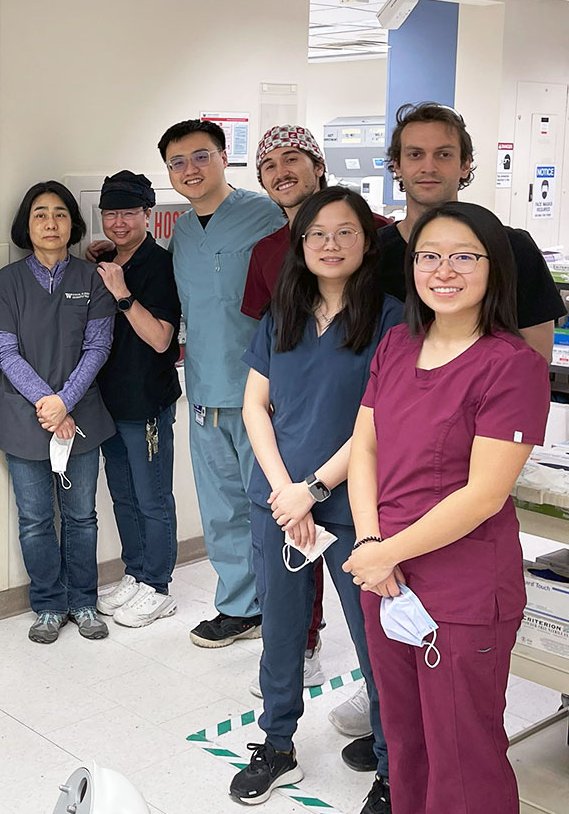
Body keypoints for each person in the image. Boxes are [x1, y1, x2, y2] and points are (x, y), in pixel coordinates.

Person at [344, 201, 550, 814]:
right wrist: (366, 547)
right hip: (383, 577)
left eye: (465, 256)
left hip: (461, 590)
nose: (444, 270)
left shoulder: (511, 366)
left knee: (463, 753)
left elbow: (484, 495)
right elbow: (365, 449)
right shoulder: (397, 344)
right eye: (430, 255)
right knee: (405, 743)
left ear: (495, 268)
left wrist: (386, 553)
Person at [231, 187, 398, 813]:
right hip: (276, 501)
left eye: (345, 232)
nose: (329, 244)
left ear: (367, 241)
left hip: (355, 505)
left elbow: (377, 421)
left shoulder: (391, 319)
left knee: (373, 638)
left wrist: (314, 489)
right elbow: (255, 405)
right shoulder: (284, 312)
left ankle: (391, 764)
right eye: (316, 233)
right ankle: (276, 743)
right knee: (279, 630)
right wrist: (283, 491)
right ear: (301, 246)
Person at [160, 119, 285, 647]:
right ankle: (239, 607)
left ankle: (287, 612)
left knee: (273, 507)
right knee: (221, 510)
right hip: (205, 392)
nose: (190, 169)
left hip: (264, 392)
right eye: (177, 163)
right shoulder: (183, 231)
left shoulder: (267, 215)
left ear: (223, 156)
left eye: (200, 156)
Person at [0, 181, 115, 643]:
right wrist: (49, 404)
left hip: (82, 417)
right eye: (40, 214)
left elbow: (98, 347)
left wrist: (65, 402)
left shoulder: (91, 279)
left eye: (59, 213)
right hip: (24, 419)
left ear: (72, 223)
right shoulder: (7, 283)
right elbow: (6, 352)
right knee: (35, 519)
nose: (51, 223)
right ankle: (49, 606)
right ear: (27, 225)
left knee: (82, 517)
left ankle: (83, 601)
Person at [378, 102, 563, 360]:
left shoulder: (513, 249)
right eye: (415, 154)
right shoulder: (372, 253)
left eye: (443, 155)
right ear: (397, 165)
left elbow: (537, 357)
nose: (428, 167)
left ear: (465, 165)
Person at [89, 171, 182, 628]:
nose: (119, 222)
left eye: (128, 213)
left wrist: (123, 295)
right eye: (111, 213)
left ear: (148, 214)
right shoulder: (106, 259)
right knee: (122, 496)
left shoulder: (158, 265)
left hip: (145, 401)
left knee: (152, 497)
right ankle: (136, 572)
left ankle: (159, 585)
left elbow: (163, 340)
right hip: (108, 401)